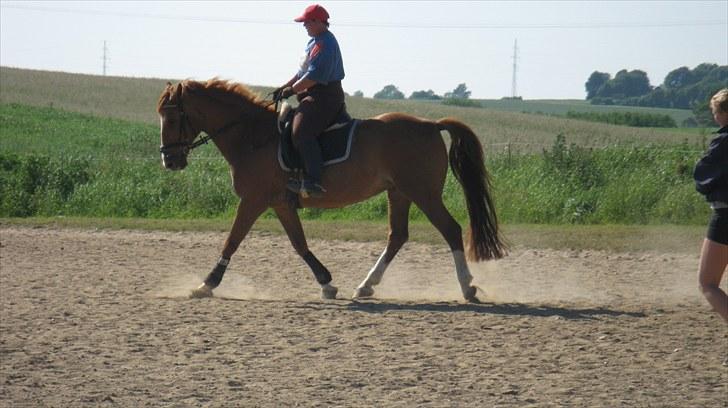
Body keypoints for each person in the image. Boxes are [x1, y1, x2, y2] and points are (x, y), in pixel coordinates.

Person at [274, 4, 346, 198]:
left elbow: (314, 76)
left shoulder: (326, 43)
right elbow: (301, 73)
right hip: (312, 95)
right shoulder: (313, 43)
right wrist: (283, 87)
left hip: (325, 97)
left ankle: (313, 180)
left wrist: (292, 90)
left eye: (306, 22)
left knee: (301, 131)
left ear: (317, 21)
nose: (304, 25)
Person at [694, 88, 728, 323]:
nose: (714, 117)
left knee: (708, 284)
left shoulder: (723, 141)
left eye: (715, 112)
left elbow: (704, 174)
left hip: (725, 216)